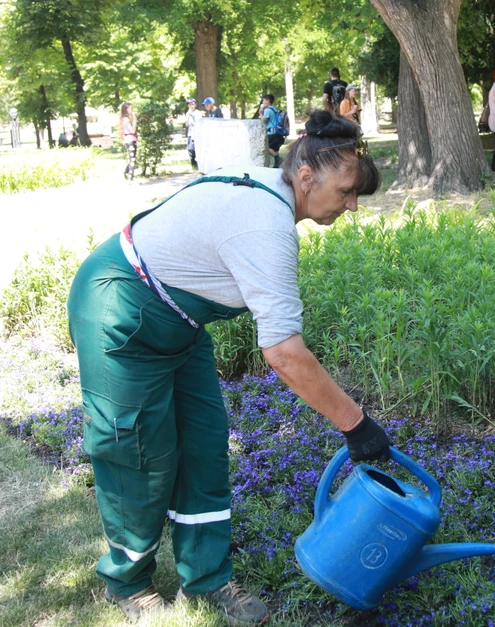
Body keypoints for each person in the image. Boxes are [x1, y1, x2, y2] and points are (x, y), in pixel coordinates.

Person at [66, 110, 387, 626]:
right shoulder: (265, 225)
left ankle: (209, 577)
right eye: (347, 191)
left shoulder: (273, 194)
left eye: (357, 197)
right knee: (138, 450)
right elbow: (284, 353)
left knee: (203, 443)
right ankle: (128, 580)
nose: (351, 206)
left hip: (176, 320)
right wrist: (356, 424)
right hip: (118, 308)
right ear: (306, 174)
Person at [260, 94, 285, 168]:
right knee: (275, 148)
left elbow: (264, 121)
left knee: (266, 147)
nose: (263, 102)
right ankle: (277, 164)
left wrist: (261, 113)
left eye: (264, 100)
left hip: (271, 132)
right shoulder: (274, 109)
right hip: (277, 132)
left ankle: (278, 158)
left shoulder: (267, 110)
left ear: (268, 101)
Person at [120, 102, 138, 181]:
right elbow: (133, 130)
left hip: (130, 140)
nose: (132, 110)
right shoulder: (126, 120)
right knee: (132, 160)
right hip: (130, 140)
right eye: (130, 108)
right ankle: (130, 178)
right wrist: (135, 120)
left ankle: (126, 173)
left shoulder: (124, 119)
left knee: (133, 159)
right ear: (126, 109)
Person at [184, 98, 200, 169]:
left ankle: (198, 163)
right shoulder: (187, 113)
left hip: (197, 134)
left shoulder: (198, 113)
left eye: (192, 104)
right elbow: (187, 124)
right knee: (190, 149)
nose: (191, 106)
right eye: (189, 105)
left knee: (197, 149)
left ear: (195, 105)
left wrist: (192, 117)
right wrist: (187, 117)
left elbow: (198, 123)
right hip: (190, 133)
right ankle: (193, 163)